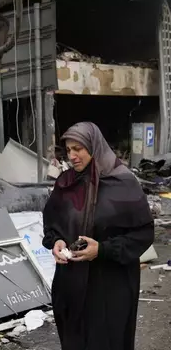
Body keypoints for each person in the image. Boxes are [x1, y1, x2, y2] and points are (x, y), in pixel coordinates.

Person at [42, 122, 154, 350]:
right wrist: (57, 242)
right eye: (68, 150)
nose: (72, 156)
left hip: (110, 288)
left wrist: (101, 250)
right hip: (71, 285)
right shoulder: (66, 184)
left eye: (78, 149)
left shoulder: (122, 183)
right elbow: (52, 227)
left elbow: (143, 233)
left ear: (94, 147)